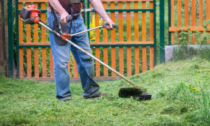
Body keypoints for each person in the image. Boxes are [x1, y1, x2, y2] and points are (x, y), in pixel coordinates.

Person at [48, 0, 114, 101]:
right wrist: (62, 12)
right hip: (59, 19)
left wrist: (106, 18)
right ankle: (64, 96)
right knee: (61, 61)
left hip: (77, 19)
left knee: (86, 57)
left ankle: (91, 92)